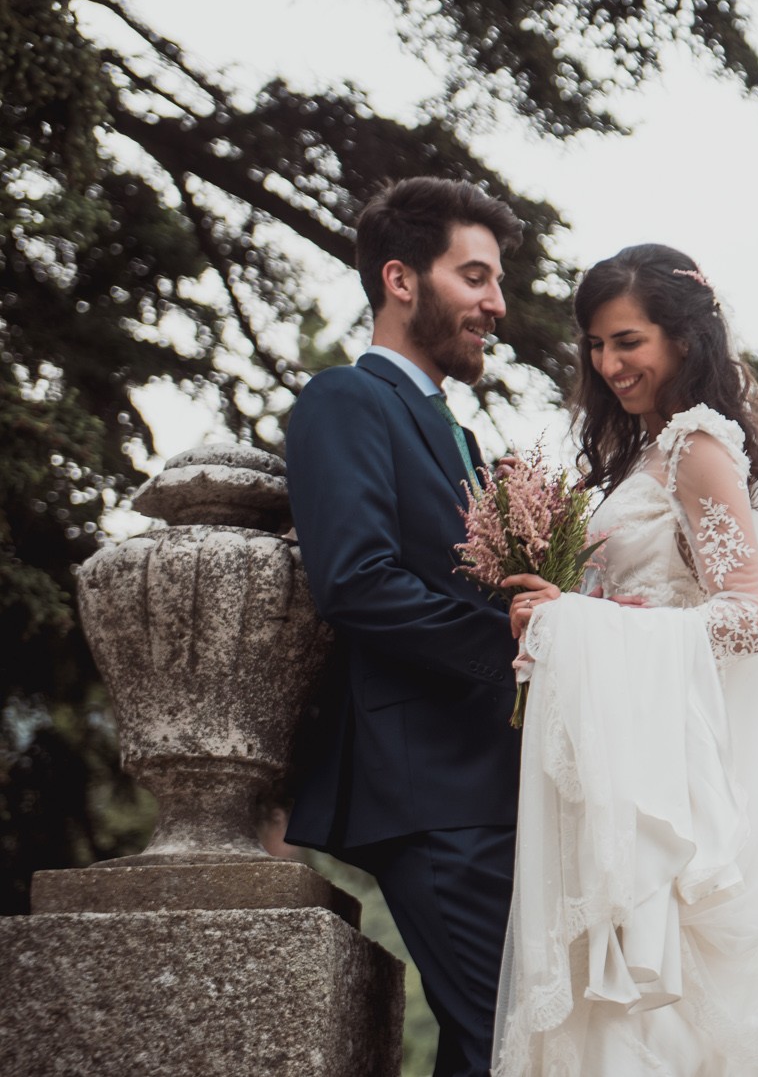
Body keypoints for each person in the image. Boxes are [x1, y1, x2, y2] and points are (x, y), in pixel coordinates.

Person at [491, 245, 758, 1077]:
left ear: (682, 338)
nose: (609, 363)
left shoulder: (697, 447)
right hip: (618, 754)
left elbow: (747, 619)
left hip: (667, 770)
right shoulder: (637, 453)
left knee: (647, 1014)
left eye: (627, 340)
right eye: (595, 344)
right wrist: (552, 619)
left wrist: (585, 625)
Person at [286, 177, 525, 1077]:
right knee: (509, 1034)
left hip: (492, 782)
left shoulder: (459, 435)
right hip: (427, 789)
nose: (496, 303)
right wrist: (518, 636)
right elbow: (355, 580)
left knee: (493, 1042)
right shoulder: (345, 401)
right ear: (399, 278)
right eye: (476, 277)